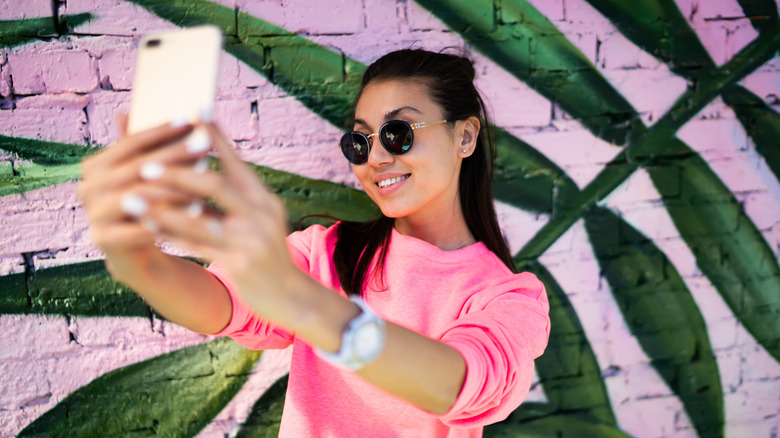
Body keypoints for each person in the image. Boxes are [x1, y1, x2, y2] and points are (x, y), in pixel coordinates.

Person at [78, 48, 551, 437]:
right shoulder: (324, 252)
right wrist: (137, 259)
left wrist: (301, 303)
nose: (376, 159)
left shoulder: (509, 298)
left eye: (398, 134)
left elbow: (458, 383)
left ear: (465, 135)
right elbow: (218, 303)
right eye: (360, 143)